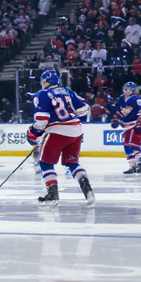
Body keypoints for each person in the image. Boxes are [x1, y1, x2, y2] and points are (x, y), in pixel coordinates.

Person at [27, 70, 93, 206]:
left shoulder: (43, 94)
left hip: (57, 131)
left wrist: (32, 133)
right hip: (76, 130)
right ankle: (85, 184)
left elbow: (41, 120)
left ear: (45, 81)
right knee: (72, 163)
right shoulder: (67, 91)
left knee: (45, 163)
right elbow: (84, 109)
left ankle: (52, 192)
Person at [111, 81, 141, 176]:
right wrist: (115, 119)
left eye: (127, 89)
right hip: (127, 125)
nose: (125, 91)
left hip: (136, 124)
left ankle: (139, 163)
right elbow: (119, 111)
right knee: (127, 146)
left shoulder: (137, 99)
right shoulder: (121, 98)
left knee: (133, 144)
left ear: (132, 90)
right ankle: (132, 165)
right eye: (124, 88)